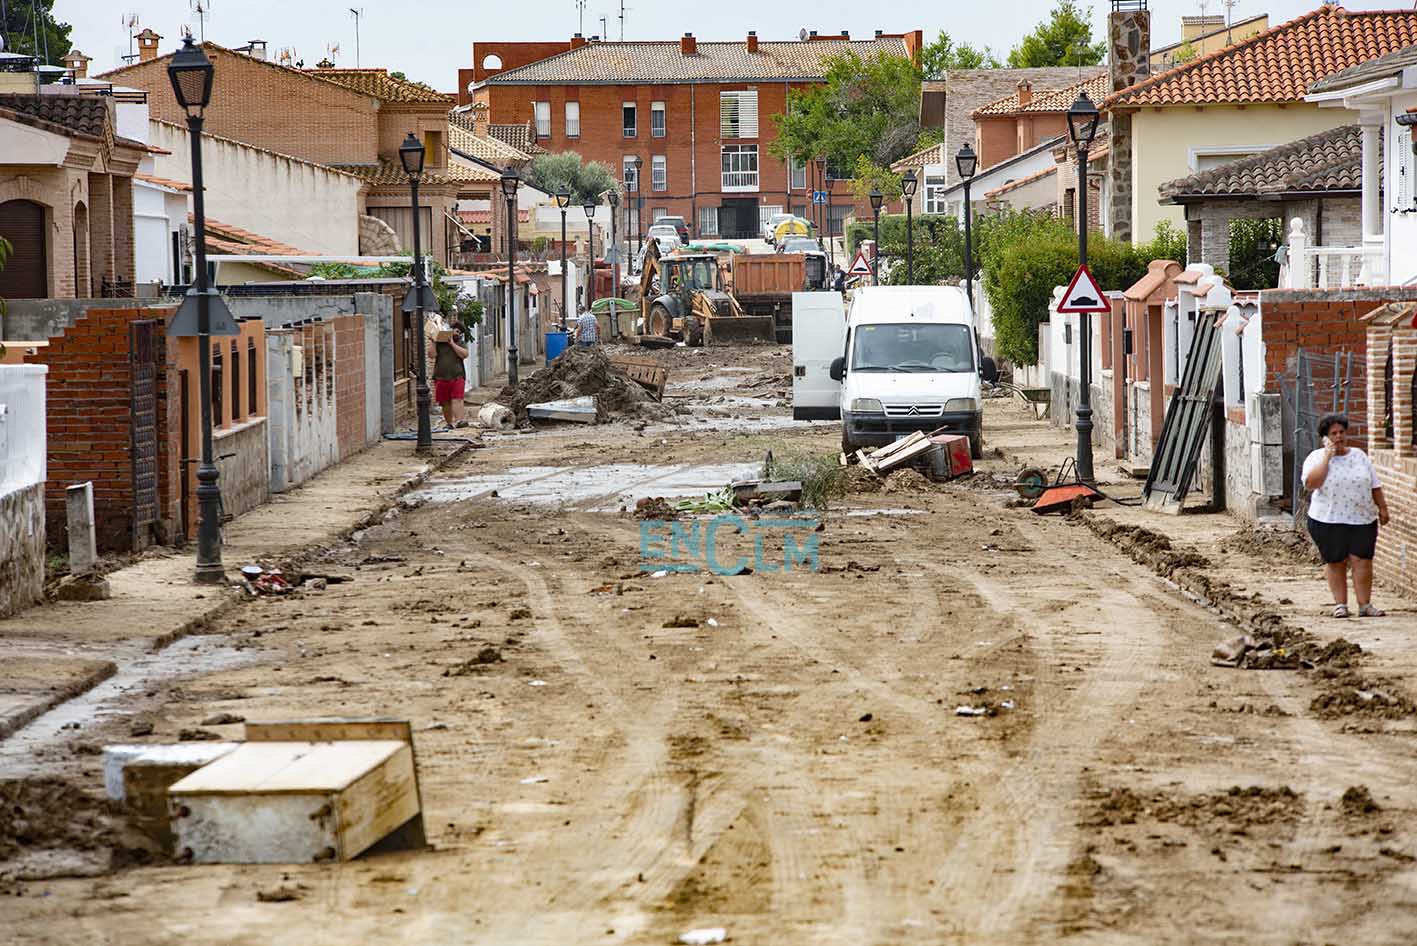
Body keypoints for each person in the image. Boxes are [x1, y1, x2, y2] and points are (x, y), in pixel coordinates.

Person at [1301, 413, 1390, 618]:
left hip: (1362, 518)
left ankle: (1365, 605)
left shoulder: (1359, 455)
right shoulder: (1315, 458)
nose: (1339, 437)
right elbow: (1311, 484)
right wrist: (1327, 457)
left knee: (1362, 560)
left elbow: (1374, 484)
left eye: (1341, 432)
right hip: (1328, 519)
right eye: (1333, 433)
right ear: (1325, 437)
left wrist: (1383, 508)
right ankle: (1340, 604)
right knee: (1335, 561)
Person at [427, 320, 469, 429]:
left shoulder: (460, 342)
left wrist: (452, 344)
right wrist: (434, 341)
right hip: (441, 376)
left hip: (458, 375)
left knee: (457, 399)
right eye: (456, 331)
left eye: (459, 332)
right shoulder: (440, 342)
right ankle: (449, 423)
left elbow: (464, 354)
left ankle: (460, 421)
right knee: (445, 402)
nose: (457, 334)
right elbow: (431, 355)